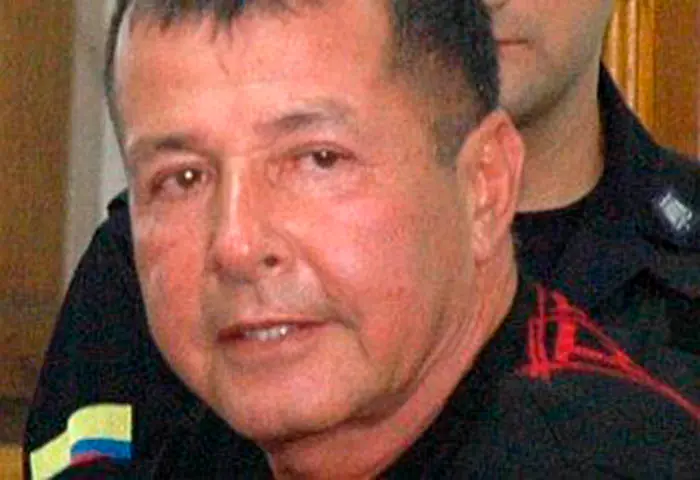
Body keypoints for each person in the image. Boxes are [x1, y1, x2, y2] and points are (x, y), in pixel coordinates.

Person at [24, 0, 700, 477]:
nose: (236, 243)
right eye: (183, 178)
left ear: (485, 186)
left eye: (319, 160)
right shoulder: (219, 442)